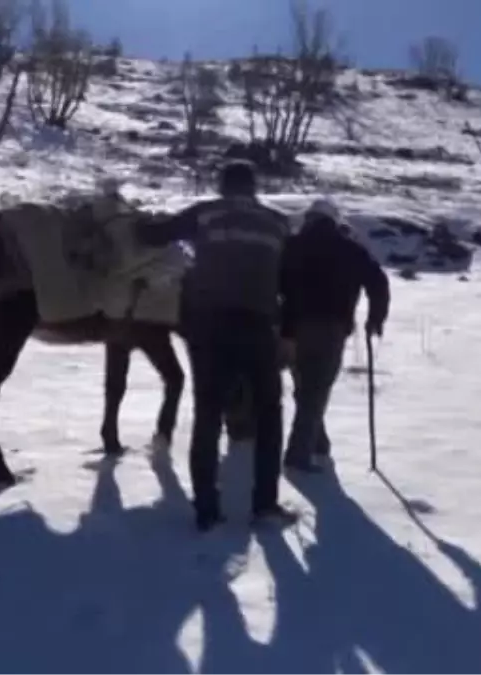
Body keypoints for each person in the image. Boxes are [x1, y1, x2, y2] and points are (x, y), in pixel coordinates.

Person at [138, 160, 296, 531]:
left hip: (209, 326)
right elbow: (289, 281)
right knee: (269, 414)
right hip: (259, 326)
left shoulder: (205, 214)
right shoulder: (278, 222)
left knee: (208, 413)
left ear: (222, 186)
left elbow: (155, 235)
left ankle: (207, 509)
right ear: (253, 187)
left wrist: (133, 220)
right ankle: (265, 505)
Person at [278, 199, 390, 472]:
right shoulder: (351, 249)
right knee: (316, 390)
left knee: (307, 388)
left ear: (310, 220)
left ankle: (318, 443)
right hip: (331, 328)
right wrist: (375, 318)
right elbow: (378, 283)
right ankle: (298, 455)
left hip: (290, 329)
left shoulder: (289, 246)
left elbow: (271, 281)